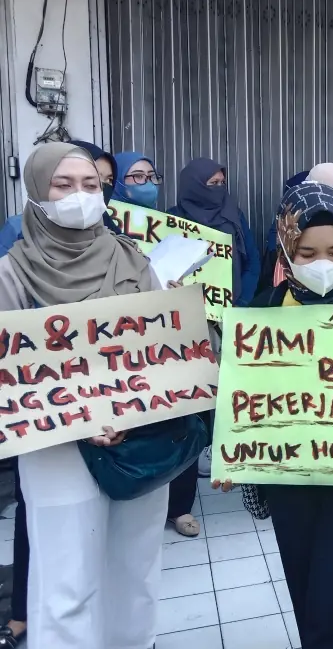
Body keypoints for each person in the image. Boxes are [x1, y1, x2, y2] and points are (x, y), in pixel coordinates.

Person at [214, 181, 333, 649]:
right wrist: (232, 451)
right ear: (285, 249)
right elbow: (246, 392)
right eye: (306, 252)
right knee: (308, 601)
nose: (323, 263)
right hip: (292, 485)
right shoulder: (264, 310)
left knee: (330, 607)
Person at [0, 142, 168, 649]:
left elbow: (167, 352)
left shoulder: (133, 259)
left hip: (138, 440)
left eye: (91, 185)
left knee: (134, 574)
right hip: (56, 450)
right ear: (37, 192)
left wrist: (130, 413)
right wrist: (79, 417)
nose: (80, 196)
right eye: (64, 185)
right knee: (67, 584)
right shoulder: (13, 273)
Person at [112, 151, 202, 538]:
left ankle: (180, 507)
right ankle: (137, 497)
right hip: (123, 344)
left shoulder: (169, 228)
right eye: (136, 177)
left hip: (169, 337)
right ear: (117, 184)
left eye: (152, 174)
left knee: (178, 418)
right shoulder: (106, 231)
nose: (147, 183)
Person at [168, 158, 260, 307]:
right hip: (185, 308)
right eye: (213, 183)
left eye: (222, 183)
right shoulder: (172, 219)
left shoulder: (233, 216)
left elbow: (252, 262)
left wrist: (242, 301)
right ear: (195, 185)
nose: (220, 188)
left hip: (231, 309)